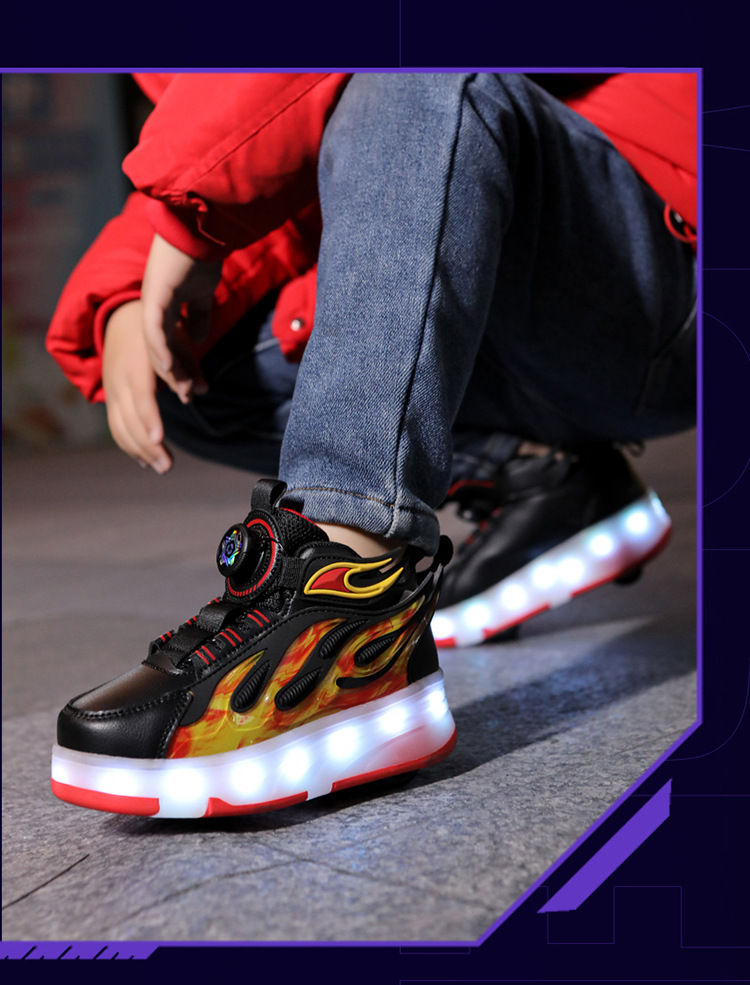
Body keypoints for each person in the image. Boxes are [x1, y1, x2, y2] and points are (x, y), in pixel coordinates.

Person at [48, 72, 696, 819]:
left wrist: (182, 214)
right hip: (506, 297)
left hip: (665, 271)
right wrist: (128, 286)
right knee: (183, 360)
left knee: (415, 71)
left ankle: (351, 584)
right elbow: (289, 136)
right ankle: (545, 475)